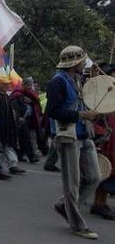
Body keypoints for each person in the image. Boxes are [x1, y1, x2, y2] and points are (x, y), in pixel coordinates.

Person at [46, 46, 101, 240]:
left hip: (84, 134)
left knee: (95, 177)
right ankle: (77, 224)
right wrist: (81, 114)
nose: (84, 63)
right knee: (72, 184)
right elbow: (52, 111)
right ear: (74, 62)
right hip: (68, 137)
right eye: (82, 61)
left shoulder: (78, 79)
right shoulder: (57, 82)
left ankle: (64, 205)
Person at [90, 64, 115, 220]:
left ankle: (101, 203)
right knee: (104, 170)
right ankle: (99, 203)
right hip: (106, 137)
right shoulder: (100, 93)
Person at [0, 76, 26, 175]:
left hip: (7, 126)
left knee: (7, 145)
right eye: (5, 84)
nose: (8, 86)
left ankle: (12, 165)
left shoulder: (6, 96)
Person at [10, 77, 43, 163]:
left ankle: (20, 155)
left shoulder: (30, 94)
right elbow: (14, 107)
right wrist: (18, 117)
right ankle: (31, 157)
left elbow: (36, 104)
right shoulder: (17, 94)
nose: (30, 87)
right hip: (20, 119)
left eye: (31, 84)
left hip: (29, 119)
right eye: (28, 84)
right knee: (26, 137)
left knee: (23, 138)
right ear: (23, 84)